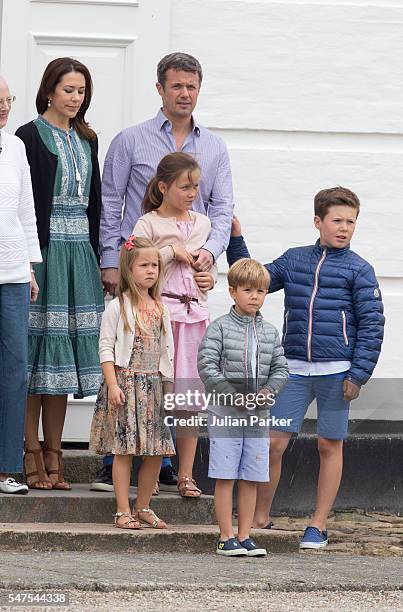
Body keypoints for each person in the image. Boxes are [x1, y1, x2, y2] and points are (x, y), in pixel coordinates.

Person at [94, 51, 234, 491]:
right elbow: (111, 202)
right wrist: (110, 260)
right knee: (134, 367)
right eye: (176, 86)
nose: (185, 94)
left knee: (186, 383)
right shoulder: (130, 140)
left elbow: (223, 208)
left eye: (192, 86)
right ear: (160, 89)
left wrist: (209, 257)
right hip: (142, 280)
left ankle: (171, 467)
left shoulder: (213, 147)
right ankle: (112, 462)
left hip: (190, 287)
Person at [227, 187, 385, 548]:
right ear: (318, 221)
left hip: (337, 373)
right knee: (273, 444)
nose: (344, 228)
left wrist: (358, 374)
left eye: (351, 222)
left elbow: (373, 325)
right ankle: (259, 517)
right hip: (293, 371)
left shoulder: (360, 269)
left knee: (330, 446)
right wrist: (236, 239)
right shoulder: (295, 260)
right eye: (337, 220)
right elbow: (253, 278)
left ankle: (318, 524)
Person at [15, 57, 104, 490]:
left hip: (79, 255)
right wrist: (28, 259)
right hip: (44, 253)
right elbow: (20, 205)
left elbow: (96, 205)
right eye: (68, 90)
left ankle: (57, 455)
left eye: (81, 91)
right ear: (49, 90)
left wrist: (101, 258)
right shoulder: (28, 136)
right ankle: (29, 451)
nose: (75, 98)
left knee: (63, 365)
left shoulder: (88, 138)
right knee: (35, 360)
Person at [133, 152, 216, 497]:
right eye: (184, 186)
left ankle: (186, 475)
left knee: (189, 399)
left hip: (194, 317)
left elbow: (204, 272)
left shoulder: (203, 224)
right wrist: (171, 253)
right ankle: (149, 476)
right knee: (155, 395)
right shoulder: (148, 224)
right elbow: (136, 264)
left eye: (195, 186)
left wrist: (208, 278)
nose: (192, 193)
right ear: (164, 186)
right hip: (161, 317)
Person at [198, 259, 289, 556]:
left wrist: (267, 392)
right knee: (226, 474)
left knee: (252, 475)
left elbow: (281, 369)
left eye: (261, 291)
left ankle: (245, 534)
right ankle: (226, 537)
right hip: (225, 413)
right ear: (233, 291)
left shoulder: (270, 332)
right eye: (248, 290)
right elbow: (208, 367)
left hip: (258, 416)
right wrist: (232, 395)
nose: (255, 296)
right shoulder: (219, 328)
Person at [89, 236, 175, 529]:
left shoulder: (161, 308)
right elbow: (106, 348)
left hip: (153, 387)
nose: (151, 270)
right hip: (126, 385)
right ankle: (122, 509)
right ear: (129, 269)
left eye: (155, 265)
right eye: (144, 265)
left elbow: (167, 352)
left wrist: (169, 388)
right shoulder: (118, 307)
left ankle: (144, 506)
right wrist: (112, 384)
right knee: (124, 450)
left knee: (156, 451)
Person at [0, 76, 42, 495]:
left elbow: (26, 212)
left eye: (7, 100)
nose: (4, 108)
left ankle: (6, 467)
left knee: (14, 370)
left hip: (11, 271)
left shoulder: (15, 147)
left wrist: (30, 267)